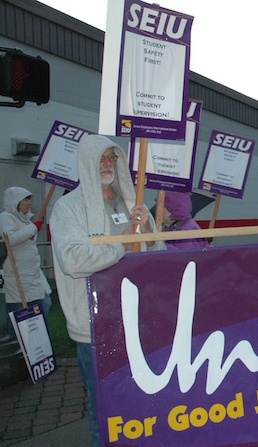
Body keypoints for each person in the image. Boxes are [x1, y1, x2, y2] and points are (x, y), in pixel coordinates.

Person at [50, 134, 166, 447]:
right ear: (87, 162)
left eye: (112, 158)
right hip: (95, 328)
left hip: (138, 321)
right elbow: (72, 259)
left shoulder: (133, 202)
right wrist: (121, 244)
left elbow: (162, 255)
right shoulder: (67, 208)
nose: (107, 164)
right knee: (104, 407)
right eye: (101, 158)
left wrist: (152, 236)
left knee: (141, 400)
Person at [0, 187, 52, 337]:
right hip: (18, 276)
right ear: (15, 202)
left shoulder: (25, 220)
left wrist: (31, 227)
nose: (29, 203)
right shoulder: (5, 218)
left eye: (29, 199)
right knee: (19, 313)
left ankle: (39, 343)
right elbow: (9, 239)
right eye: (25, 199)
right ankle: (17, 347)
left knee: (44, 304)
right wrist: (33, 228)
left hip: (34, 274)